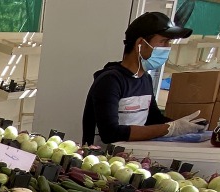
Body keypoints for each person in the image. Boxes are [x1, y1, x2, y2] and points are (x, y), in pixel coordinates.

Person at [83, 12, 204, 144]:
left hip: (130, 156)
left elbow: (153, 118)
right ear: (140, 44)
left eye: (169, 42)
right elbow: (110, 133)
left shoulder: (145, 78)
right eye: (163, 42)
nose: (168, 48)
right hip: (102, 159)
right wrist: (170, 128)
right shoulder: (111, 81)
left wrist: (184, 126)